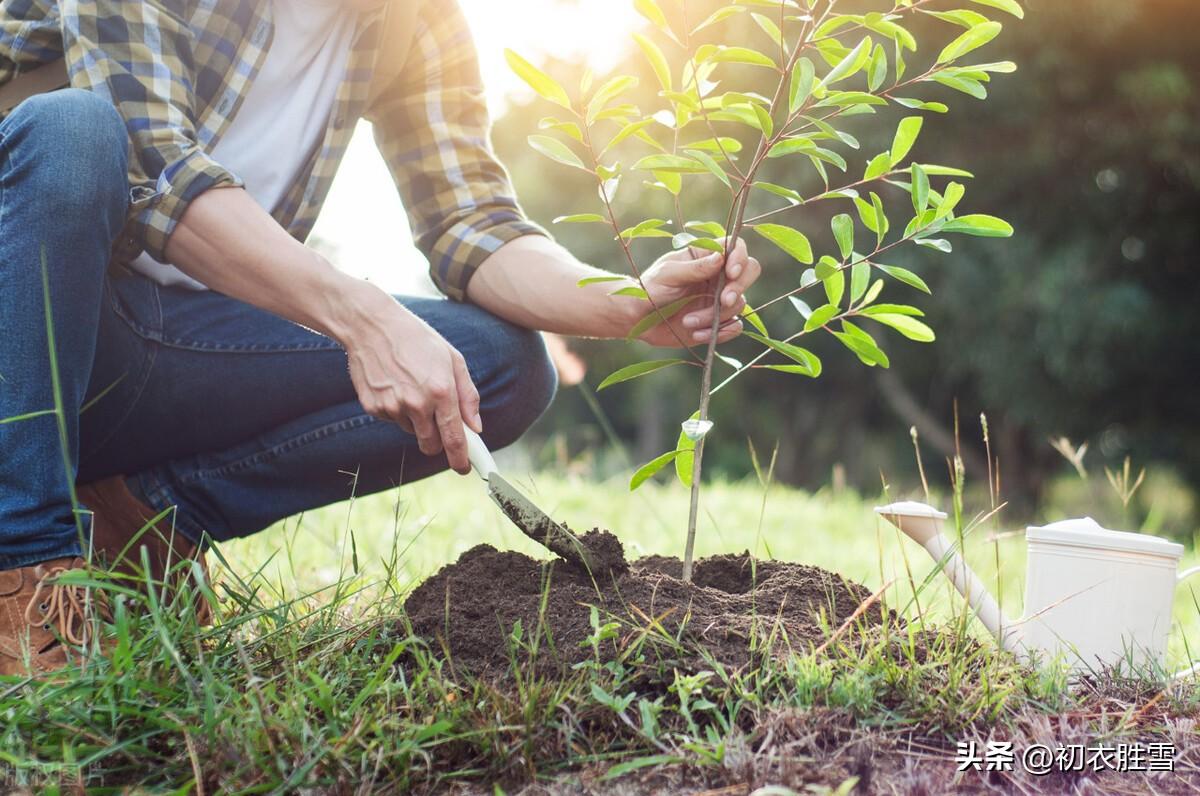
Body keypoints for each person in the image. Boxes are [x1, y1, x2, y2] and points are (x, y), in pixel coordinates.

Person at [0, 0, 761, 676]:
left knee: (498, 366)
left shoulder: (411, 19)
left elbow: (472, 223)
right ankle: (24, 572)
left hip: (160, 350)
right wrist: (362, 317)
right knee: (72, 130)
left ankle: (139, 526)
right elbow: (157, 170)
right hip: (30, 337)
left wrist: (623, 304)